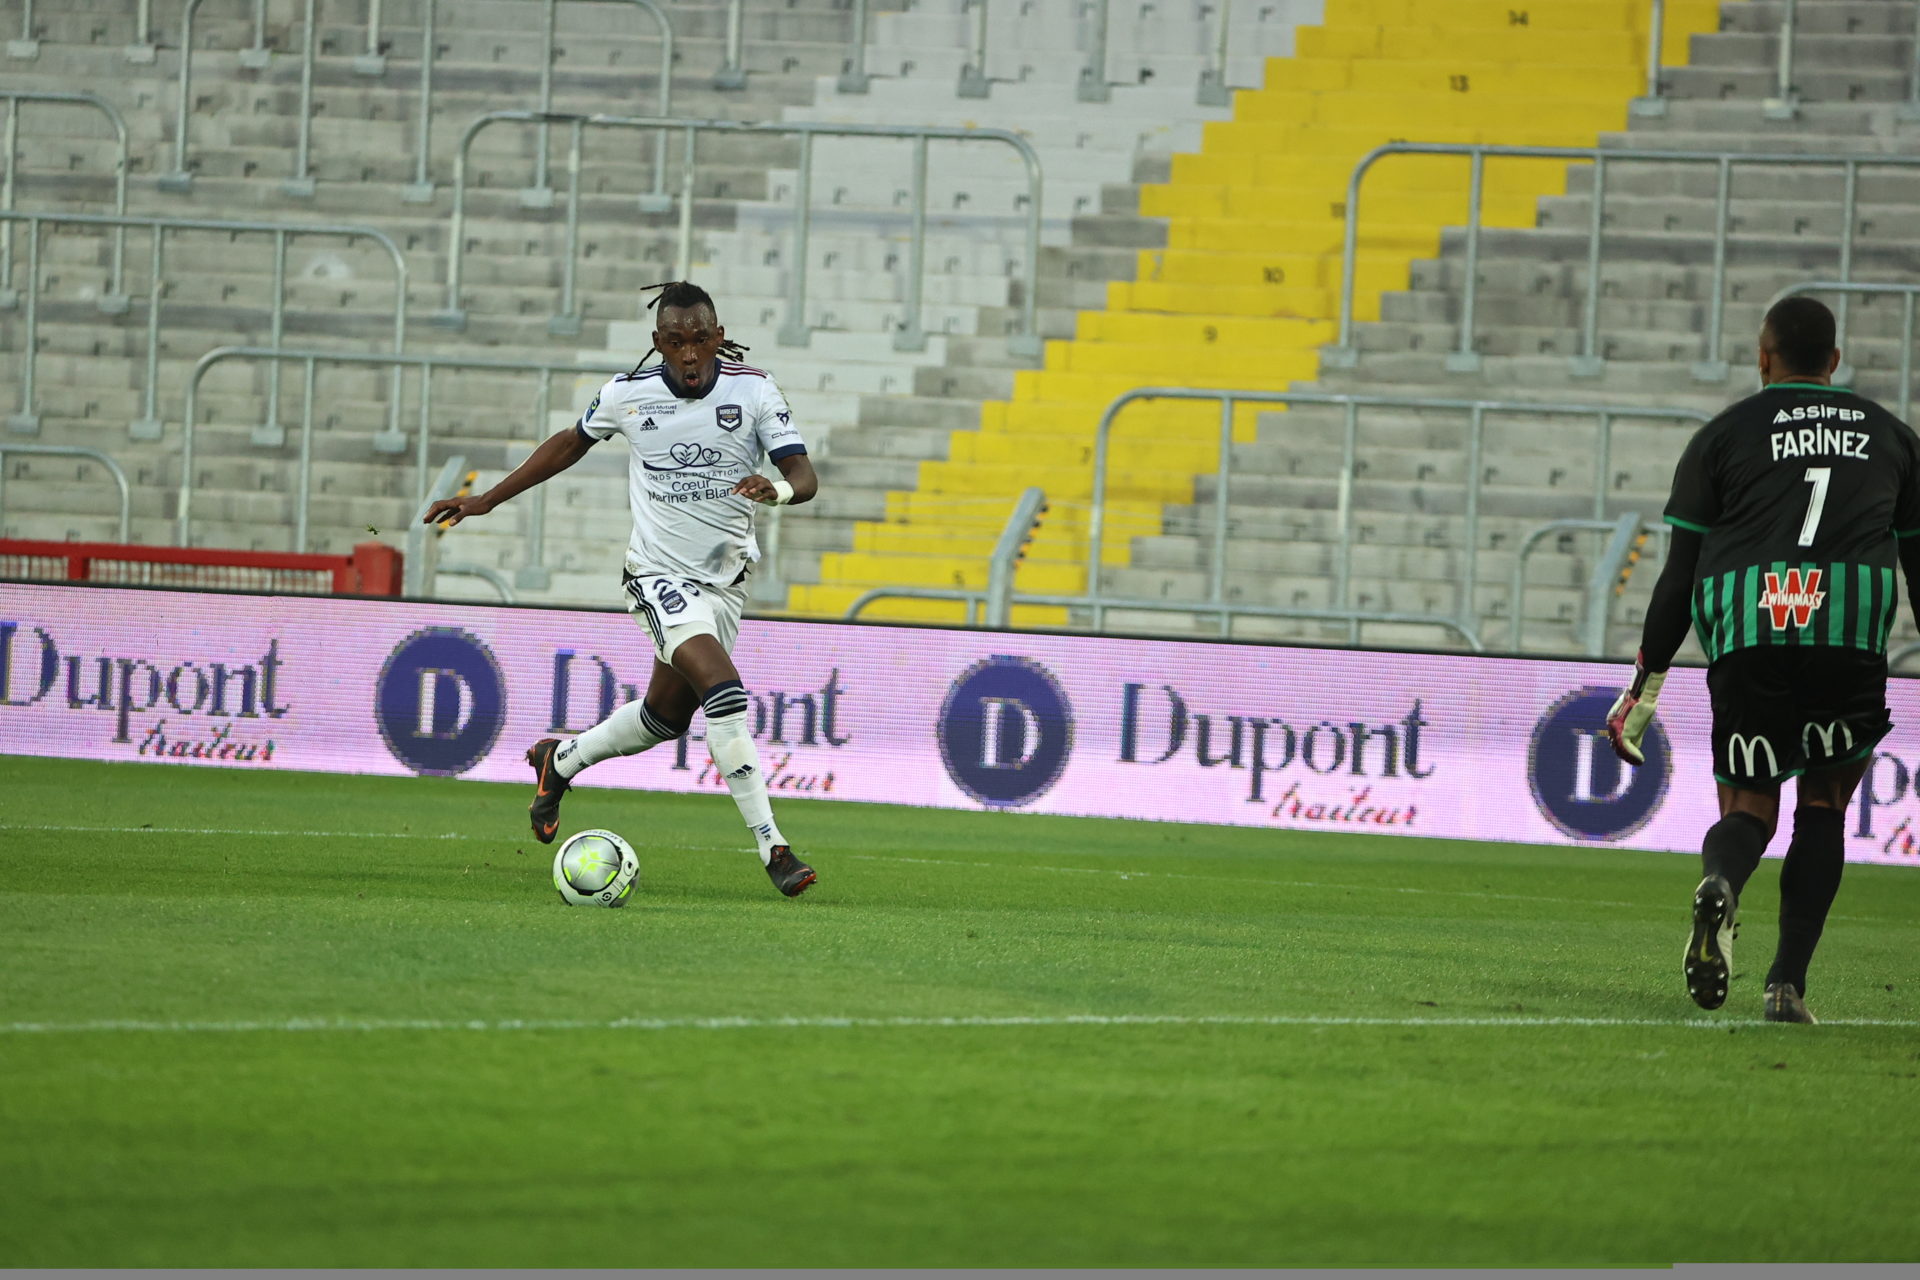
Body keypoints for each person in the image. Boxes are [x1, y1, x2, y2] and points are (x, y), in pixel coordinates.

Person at [424, 281, 821, 898]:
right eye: (675, 342)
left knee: (665, 719)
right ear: (658, 344)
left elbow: (803, 473)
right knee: (723, 689)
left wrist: (781, 489)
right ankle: (774, 847)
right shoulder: (628, 395)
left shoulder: (754, 390)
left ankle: (560, 761)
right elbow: (566, 446)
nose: (689, 354)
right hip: (657, 576)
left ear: (717, 337)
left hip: (725, 582)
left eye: (699, 340)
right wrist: (483, 501)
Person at [1606, 297, 1920, 1021]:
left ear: (1763, 355)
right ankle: (1786, 985)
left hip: (1750, 624)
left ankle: (1721, 881)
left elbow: (1679, 578)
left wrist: (1642, 691)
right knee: (1823, 805)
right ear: (1834, 362)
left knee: (1749, 805)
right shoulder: (1892, 436)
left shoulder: (1721, 437)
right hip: (1846, 629)